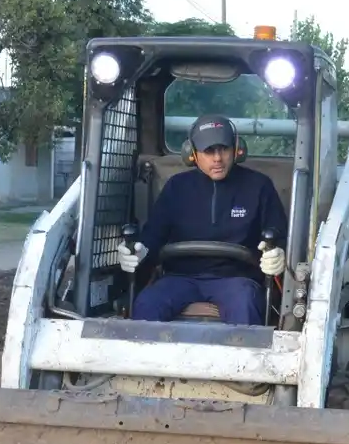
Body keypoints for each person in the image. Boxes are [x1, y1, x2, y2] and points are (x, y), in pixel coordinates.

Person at [119, 114, 288, 325]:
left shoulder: (259, 186)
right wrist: (139, 250)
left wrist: (278, 252)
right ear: (192, 154)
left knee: (246, 304)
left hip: (236, 280)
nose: (217, 158)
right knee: (146, 304)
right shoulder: (176, 187)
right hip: (180, 278)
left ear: (236, 149)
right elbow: (153, 235)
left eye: (224, 149)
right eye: (209, 151)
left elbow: (278, 234)